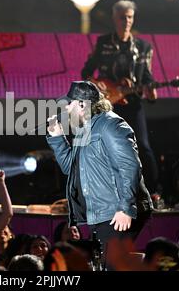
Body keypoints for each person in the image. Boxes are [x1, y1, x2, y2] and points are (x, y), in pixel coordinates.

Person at [46, 80, 153, 266]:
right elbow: (72, 170)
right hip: (102, 212)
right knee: (105, 265)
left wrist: (125, 207)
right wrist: (57, 139)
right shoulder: (83, 131)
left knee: (111, 265)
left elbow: (129, 166)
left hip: (117, 209)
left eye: (69, 103)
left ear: (82, 104)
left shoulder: (110, 124)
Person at [81, 0, 159, 194]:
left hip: (133, 103)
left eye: (130, 17)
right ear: (114, 19)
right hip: (108, 104)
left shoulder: (143, 47)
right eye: (123, 17)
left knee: (143, 146)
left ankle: (153, 191)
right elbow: (86, 72)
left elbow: (147, 77)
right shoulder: (103, 43)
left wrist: (152, 92)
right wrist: (97, 84)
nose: (127, 21)